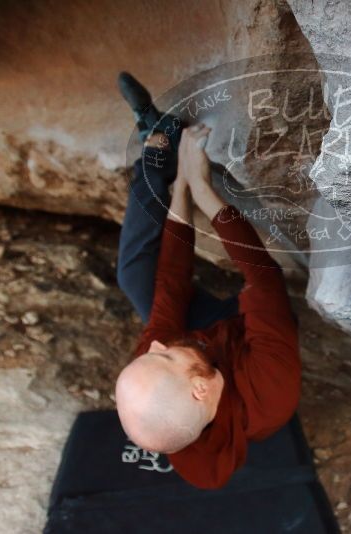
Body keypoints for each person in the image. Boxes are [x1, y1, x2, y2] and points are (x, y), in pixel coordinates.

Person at [113, 72, 301, 490]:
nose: (154, 345)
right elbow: (262, 275)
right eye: (160, 357)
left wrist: (180, 185)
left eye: (149, 354)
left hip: (202, 342)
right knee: (260, 297)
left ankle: (157, 145)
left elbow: (171, 284)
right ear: (200, 390)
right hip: (244, 334)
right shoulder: (269, 393)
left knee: (133, 275)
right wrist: (204, 189)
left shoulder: (163, 358)